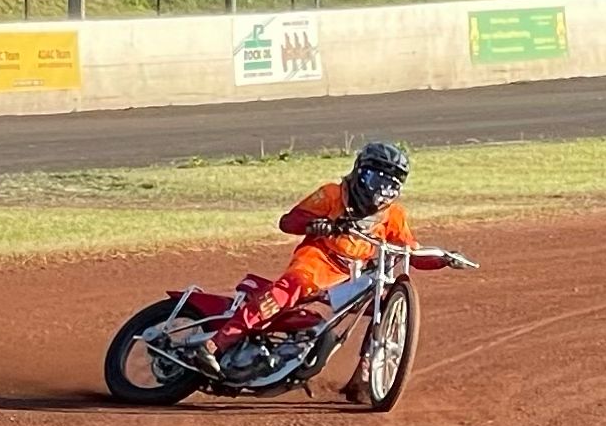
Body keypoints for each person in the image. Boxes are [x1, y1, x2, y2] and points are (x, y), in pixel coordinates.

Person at [192, 141, 469, 399]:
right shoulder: (332, 195)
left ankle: (364, 377)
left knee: (383, 307)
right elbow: (289, 222)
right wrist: (318, 223)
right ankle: (214, 345)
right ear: (361, 174)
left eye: (391, 184)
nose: (382, 189)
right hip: (319, 258)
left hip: (354, 274)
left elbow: (411, 251)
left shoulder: (394, 216)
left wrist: (444, 258)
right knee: (292, 287)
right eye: (378, 180)